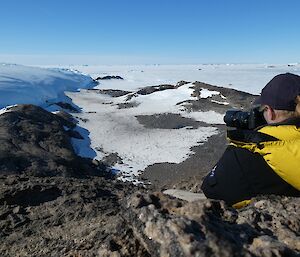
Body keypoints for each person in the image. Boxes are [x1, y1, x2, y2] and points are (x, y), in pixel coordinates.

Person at [201, 73, 300, 208]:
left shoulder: (253, 155)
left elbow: (211, 189)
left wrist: (254, 137)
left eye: (263, 110)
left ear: (270, 112)